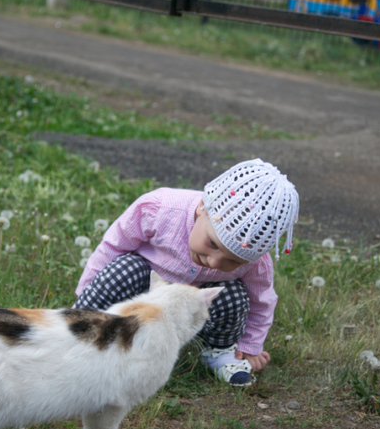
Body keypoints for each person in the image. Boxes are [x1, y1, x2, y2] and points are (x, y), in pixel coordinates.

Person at [74, 158, 299, 388]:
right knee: (124, 269)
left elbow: (262, 301)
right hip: (145, 288)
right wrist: (87, 292)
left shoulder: (256, 262)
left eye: (233, 261)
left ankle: (218, 351)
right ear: (203, 207)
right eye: (212, 243)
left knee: (234, 295)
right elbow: (112, 247)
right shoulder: (159, 210)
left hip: (194, 308)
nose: (214, 262)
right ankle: (83, 325)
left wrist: (251, 345)